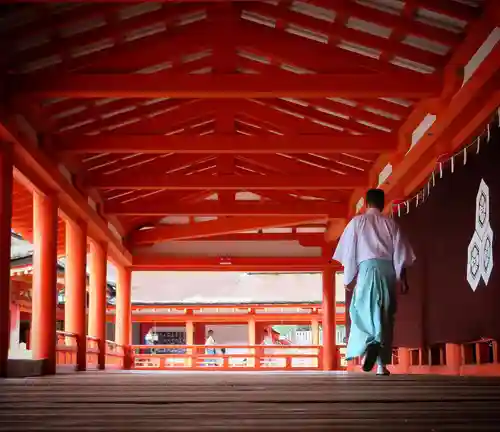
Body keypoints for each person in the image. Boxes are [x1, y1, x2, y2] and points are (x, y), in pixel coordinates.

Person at [330, 188, 415, 376]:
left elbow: (349, 251)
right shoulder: (391, 224)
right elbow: (401, 254)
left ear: (366, 204)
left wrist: (348, 278)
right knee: (385, 314)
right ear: (383, 203)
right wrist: (402, 279)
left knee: (361, 309)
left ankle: (371, 342)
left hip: (367, 271)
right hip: (388, 271)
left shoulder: (357, 223)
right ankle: (381, 366)